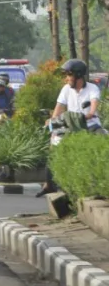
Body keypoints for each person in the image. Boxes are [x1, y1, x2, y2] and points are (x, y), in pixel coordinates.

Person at [37, 58, 104, 197]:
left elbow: (94, 102)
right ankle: (49, 184)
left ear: (78, 75)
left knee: (103, 143)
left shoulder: (93, 88)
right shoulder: (66, 89)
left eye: (69, 75)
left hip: (90, 126)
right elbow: (59, 108)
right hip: (70, 127)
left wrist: (91, 113)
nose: (67, 78)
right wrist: (52, 123)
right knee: (53, 148)